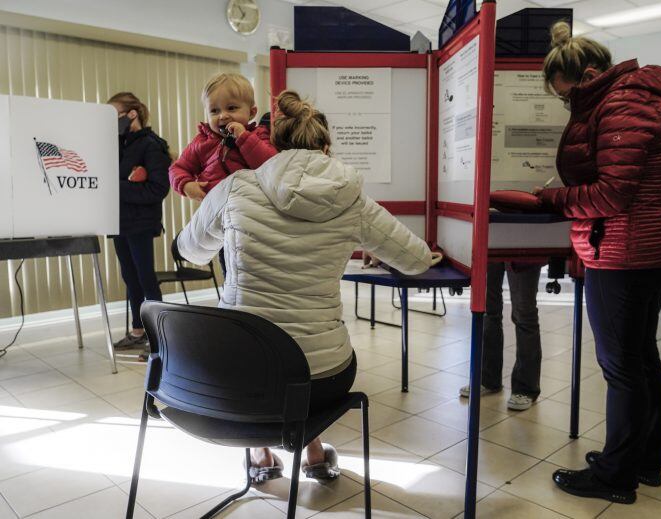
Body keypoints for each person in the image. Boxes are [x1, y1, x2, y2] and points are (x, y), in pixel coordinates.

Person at [176, 90, 433, 484]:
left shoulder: (236, 187)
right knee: (309, 365)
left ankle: (260, 455)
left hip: (238, 374)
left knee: (260, 365)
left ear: (271, 144)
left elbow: (190, 251)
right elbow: (415, 260)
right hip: (322, 380)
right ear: (326, 146)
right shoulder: (352, 200)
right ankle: (312, 449)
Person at [534, 22, 661, 504]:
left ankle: (615, 476)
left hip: (625, 251)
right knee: (641, 360)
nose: (567, 104)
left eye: (566, 95)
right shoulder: (637, 98)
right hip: (651, 246)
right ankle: (644, 461)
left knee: (621, 367)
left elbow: (612, 194)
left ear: (590, 74)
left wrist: (551, 199)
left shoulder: (621, 104)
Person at [169, 73, 277, 276]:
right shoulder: (201, 143)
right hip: (222, 224)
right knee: (230, 271)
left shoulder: (259, 136)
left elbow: (270, 166)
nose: (223, 116)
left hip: (256, 220)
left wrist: (243, 138)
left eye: (232, 108)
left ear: (252, 111)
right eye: (214, 110)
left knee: (257, 271)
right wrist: (186, 185)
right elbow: (177, 169)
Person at [107, 92, 171, 351]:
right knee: (130, 278)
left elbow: (157, 189)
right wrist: (127, 183)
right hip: (118, 220)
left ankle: (159, 338)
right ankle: (137, 331)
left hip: (141, 222)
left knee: (145, 278)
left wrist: (117, 186)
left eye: (114, 115)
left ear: (132, 114)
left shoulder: (151, 145)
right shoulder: (117, 145)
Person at [458, 262, 542, 411]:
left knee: (524, 313)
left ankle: (526, 388)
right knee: (487, 310)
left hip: (524, 244)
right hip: (489, 243)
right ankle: (488, 379)